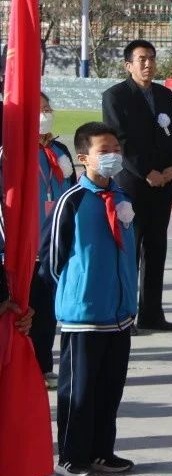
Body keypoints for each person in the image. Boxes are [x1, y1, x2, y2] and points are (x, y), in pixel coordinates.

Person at [41, 122, 138, 476]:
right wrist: (76, 292)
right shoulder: (73, 200)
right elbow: (52, 258)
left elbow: (129, 251)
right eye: (104, 150)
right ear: (83, 158)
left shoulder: (123, 197)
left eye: (116, 148)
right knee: (79, 390)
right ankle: (71, 456)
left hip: (120, 312)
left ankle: (102, 451)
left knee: (110, 389)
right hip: (84, 314)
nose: (113, 155)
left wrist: (129, 294)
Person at [102, 40, 172, 332]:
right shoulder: (115, 96)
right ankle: (125, 313)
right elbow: (120, 141)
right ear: (128, 65)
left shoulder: (164, 95)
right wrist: (146, 172)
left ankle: (152, 313)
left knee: (156, 248)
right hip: (133, 185)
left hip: (164, 183)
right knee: (130, 250)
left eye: (151, 58)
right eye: (141, 59)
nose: (148, 64)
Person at [30, 92, 77, 388]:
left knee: (47, 312)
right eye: (39, 109)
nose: (45, 114)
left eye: (48, 108)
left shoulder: (59, 150)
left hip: (55, 246)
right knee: (25, 311)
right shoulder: (12, 152)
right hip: (24, 248)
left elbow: (72, 194)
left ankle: (44, 366)